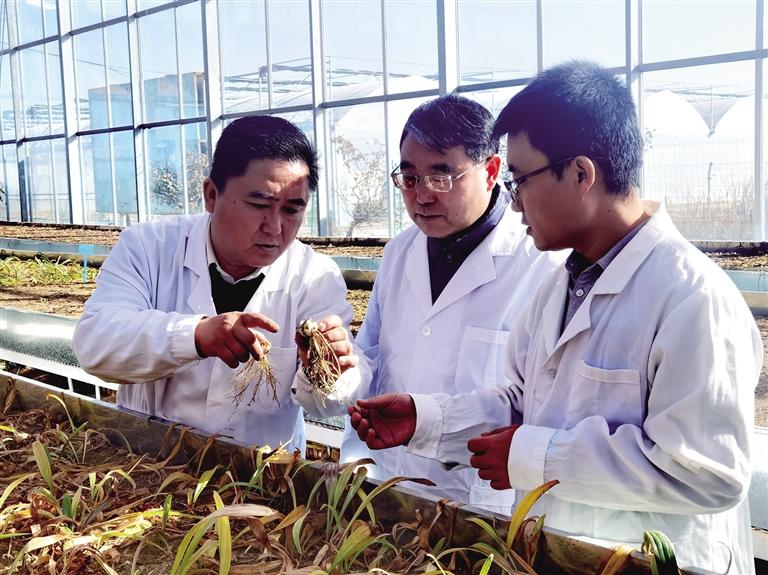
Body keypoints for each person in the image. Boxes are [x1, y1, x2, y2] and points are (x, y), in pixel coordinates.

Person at [349, 61, 761, 573]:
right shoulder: (561, 286)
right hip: (569, 552)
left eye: (520, 179)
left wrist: (535, 458)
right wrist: (427, 419)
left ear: (581, 175)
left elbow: (707, 473)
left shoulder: (691, 297)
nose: (512, 201)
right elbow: (526, 403)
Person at [73, 115, 371, 454]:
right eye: (259, 205)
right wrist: (195, 336)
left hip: (261, 476)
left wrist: (329, 372)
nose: (274, 228)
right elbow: (95, 344)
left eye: (292, 210)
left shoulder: (314, 276)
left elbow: (333, 400)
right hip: (149, 465)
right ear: (211, 194)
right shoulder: (148, 247)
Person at [337, 95, 563, 514]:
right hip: (388, 484)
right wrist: (338, 366)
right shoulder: (399, 252)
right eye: (409, 178)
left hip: (479, 505)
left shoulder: (542, 264)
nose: (422, 196)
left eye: (441, 177)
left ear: (491, 171)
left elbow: (541, 406)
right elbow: (370, 354)